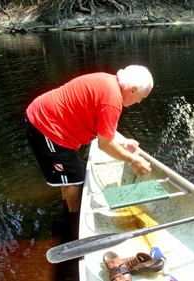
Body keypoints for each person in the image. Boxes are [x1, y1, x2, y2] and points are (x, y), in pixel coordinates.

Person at [23, 65, 153, 240]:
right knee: (75, 179)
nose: (139, 102)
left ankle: (68, 214)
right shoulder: (112, 101)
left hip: (50, 122)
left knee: (69, 178)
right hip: (46, 126)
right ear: (132, 90)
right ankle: (75, 228)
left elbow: (101, 124)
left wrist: (123, 142)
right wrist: (133, 160)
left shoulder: (109, 82)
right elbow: (105, 145)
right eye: (141, 97)